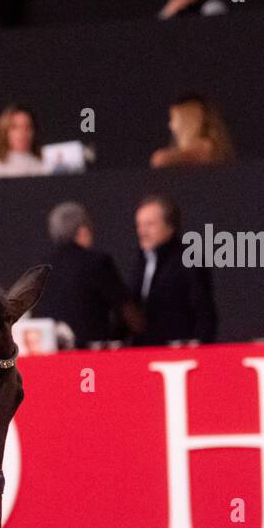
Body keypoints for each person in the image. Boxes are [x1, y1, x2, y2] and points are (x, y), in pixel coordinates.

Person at [34, 202, 141, 347]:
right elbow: (128, 312)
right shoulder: (97, 262)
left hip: (53, 359)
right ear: (83, 230)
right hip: (92, 359)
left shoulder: (40, 270)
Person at [129, 194, 216, 345]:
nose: (142, 231)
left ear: (170, 227)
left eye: (149, 224)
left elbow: (205, 313)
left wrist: (199, 351)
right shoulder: (141, 261)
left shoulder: (189, 259)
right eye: (139, 225)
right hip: (143, 355)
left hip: (177, 358)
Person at [150, 92, 233, 168]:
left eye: (174, 118)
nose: (171, 125)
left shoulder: (206, 147)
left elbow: (161, 159)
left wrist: (165, 158)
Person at [0, 104, 50, 178]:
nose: (22, 133)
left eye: (27, 127)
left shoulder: (42, 165)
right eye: (15, 127)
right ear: (5, 131)